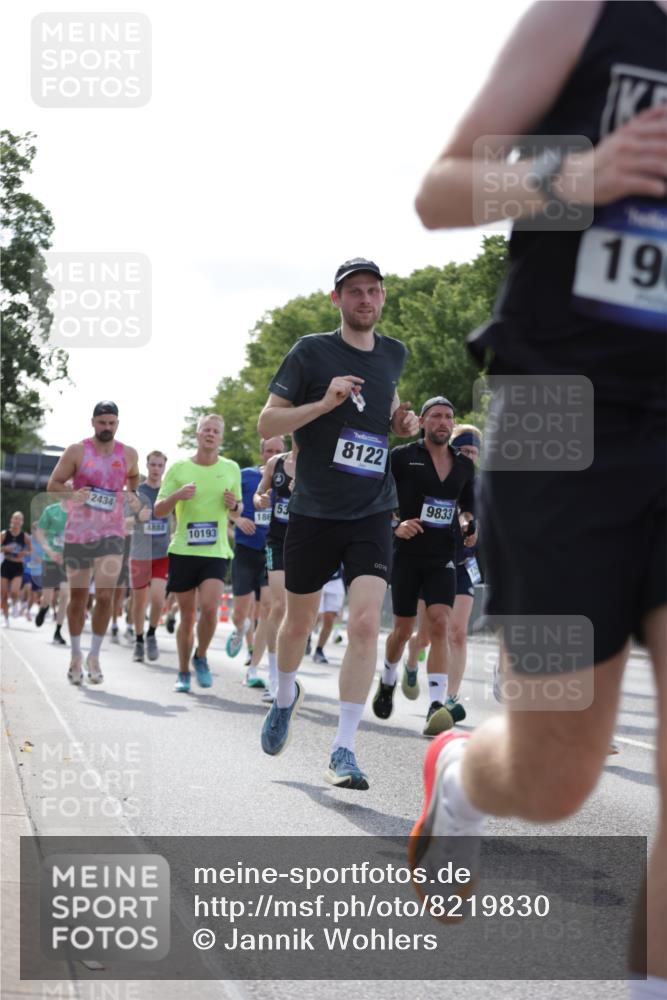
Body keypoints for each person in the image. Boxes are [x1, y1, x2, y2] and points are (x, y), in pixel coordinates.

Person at [410, 4, 666, 995]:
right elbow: (438, 194)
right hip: (565, 423)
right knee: (555, 780)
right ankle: (460, 775)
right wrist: (576, 177)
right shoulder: (590, 16)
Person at [258, 257, 419, 789]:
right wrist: (323, 402)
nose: (365, 300)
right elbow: (268, 422)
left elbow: (386, 409)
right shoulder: (311, 351)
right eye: (354, 292)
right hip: (314, 510)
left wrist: (401, 421)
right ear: (337, 299)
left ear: (383, 297)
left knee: (367, 623)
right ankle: (285, 696)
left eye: (373, 291)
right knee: (296, 624)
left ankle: (344, 748)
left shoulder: (394, 352)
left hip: (373, 508)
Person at [372, 397, 476, 735]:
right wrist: (394, 526)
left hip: (442, 555)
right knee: (402, 630)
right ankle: (388, 678)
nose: (443, 422)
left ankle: (436, 703)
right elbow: (376, 497)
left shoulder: (462, 465)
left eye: (448, 416)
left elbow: (466, 504)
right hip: (406, 553)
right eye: (436, 416)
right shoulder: (402, 457)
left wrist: (467, 521)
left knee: (440, 623)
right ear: (423, 421)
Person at [47, 401, 139, 684]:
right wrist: (73, 494)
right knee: (78, 599)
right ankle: (76, 654)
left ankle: (94, 655)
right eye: (102, 423)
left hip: (112, 534)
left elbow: (133, 477)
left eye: (111, 423)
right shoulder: (77, 451)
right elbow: (54, 485)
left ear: (117, 423)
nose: (107, 428)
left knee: (106, 597)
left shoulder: (129, 454)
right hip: (79, 534)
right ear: (93, 422)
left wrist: (130, 494)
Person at [154, 414, 241, 693]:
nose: (210, 434)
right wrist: (177, 495)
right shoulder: (179, 468)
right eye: (206, 429)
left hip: (215, 551)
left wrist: (235, 506)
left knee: (211, 608)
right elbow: (158, 510)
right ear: (198, 433)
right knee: (188, 616)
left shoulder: (231, 468)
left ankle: (201, 655)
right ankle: (182, 672)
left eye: (216, 431)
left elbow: (238, 510)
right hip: (183, 550)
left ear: (221, 437)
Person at [404, 424, 484, 721]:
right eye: (463, 450)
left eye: (473, 452)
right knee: (426, 635)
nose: (468, 456)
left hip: (463, 566)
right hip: (433, 564)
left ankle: (449, 699)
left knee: (458, 634)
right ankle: (412, 658)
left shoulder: (478, 485)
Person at [225, 437, 284, 687]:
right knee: (241, 613)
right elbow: (227, 506)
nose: (273, 454)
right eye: (269, 450)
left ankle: (254, 664)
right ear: (261, 453)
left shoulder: (290, 476)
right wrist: (238, 521)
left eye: (278, 451)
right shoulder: (245, 476)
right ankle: (241, 629)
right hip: (246, 549)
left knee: (268, 608)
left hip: (272, 550)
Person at [253, 445, 296, 701]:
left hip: (306, 543)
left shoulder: (319, 459)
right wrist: (261, 499)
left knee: (300, 612)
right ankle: (274, 679)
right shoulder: (276, 463)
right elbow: (259, 494)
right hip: (278, 542)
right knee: (278, 605)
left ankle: (289, 672)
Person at [129, 450, 171, 663]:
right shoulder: (137, 492)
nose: (156, 469)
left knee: (157, 599)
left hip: (162, 554)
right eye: (152, 465)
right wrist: (137, 517)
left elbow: (179, 516)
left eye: (159, 465)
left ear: (164, 468)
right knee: (139, 602)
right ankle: (138, 640)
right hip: (140, 554)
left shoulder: (169, 491)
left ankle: (151, 633)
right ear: (147, 466)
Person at [34, 495, 70, 645]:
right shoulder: (51, 510)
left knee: (65, 595)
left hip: (69, 561)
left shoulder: (79, 513)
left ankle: (58, 631)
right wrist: (49, 551)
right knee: (47, 597)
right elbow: (40, 533)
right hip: (50, 559)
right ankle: (44, 608)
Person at [1, 512, 31, 624]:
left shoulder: (24, 536)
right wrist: (5, 548)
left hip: (18, 565)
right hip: (6, 564)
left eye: (19, 519)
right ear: (11, 520)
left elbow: (31, 551)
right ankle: (6, 618)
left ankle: (15, 604)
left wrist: (24, 553)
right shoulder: (4, 534)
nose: (17, 521)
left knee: (14, 591)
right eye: (15, 518)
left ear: (22, 522)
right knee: (3, 594)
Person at [312, 567, 346, 664]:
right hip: (318, 576)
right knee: (317, 616)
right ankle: (307, 639)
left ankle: (319, 650)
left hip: (336, 580)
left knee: (329, 620)